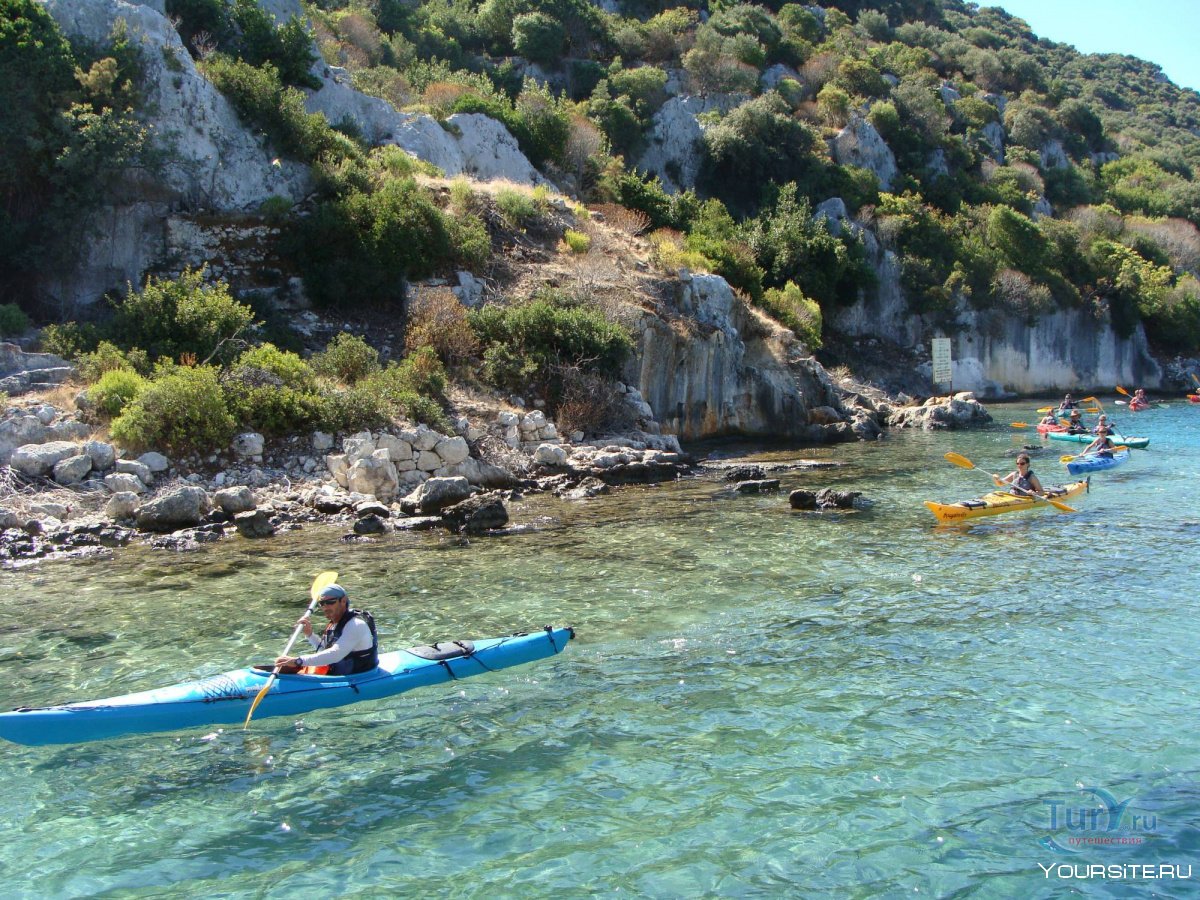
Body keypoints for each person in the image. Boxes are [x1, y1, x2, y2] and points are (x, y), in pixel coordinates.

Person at [276, 583, 379, 675]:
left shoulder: (356, 625)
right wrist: (310, 635)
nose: (325, 607)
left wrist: (298, 661)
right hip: (340, 673)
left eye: (330, 602)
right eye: (322, 603)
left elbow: (335, 655)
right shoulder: (334, 624)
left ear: (343, 601)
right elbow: (324, 652)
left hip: (359, 677)